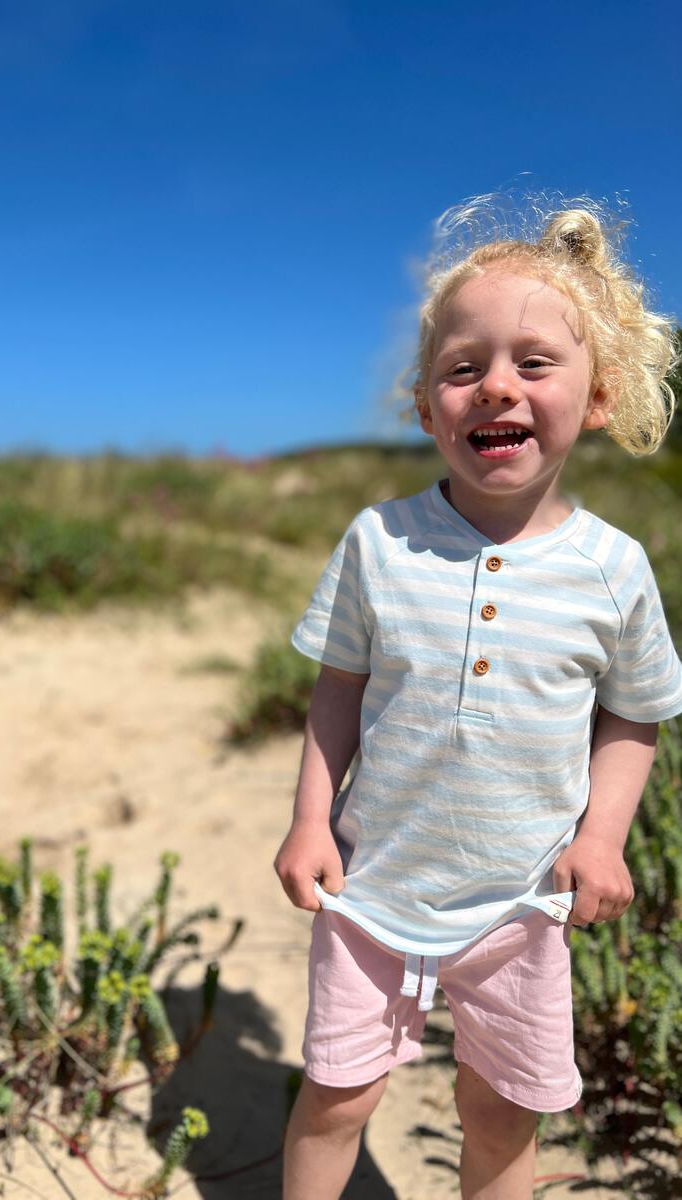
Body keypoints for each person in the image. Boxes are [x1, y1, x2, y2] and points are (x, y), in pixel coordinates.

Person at [274, 199, 682, 1200]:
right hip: (373, 893)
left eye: (534, 363)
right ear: (425, 406)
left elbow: (633, 716)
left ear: (597, 397)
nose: (496, 384)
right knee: (336, 1095)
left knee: (501, 1114)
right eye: (463, 368)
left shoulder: (613, 570)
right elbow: (339, 691)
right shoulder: (380, 540)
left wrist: (602, 838)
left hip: (520, 905)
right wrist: (309, 821)